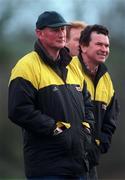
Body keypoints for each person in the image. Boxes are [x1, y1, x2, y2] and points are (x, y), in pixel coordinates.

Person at [8, 11, 95, 179]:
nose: (61, 33)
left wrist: (86, 129)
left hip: (79, 166)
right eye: (55, 29)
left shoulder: (74, 66)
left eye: (63, 29)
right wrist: (58, 129)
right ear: (39, 33)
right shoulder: (26, 66)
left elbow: (88, 104)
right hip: (47, 168)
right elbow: (18, 111)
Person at [72, 24, 119, 179]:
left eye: (107, 45)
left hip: (91, 163)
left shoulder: (107, 79)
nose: (104, 49)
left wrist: (99, 147)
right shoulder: (67, 70)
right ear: (83, 47)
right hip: (67, 160)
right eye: (99, 44)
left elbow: (110, 120)